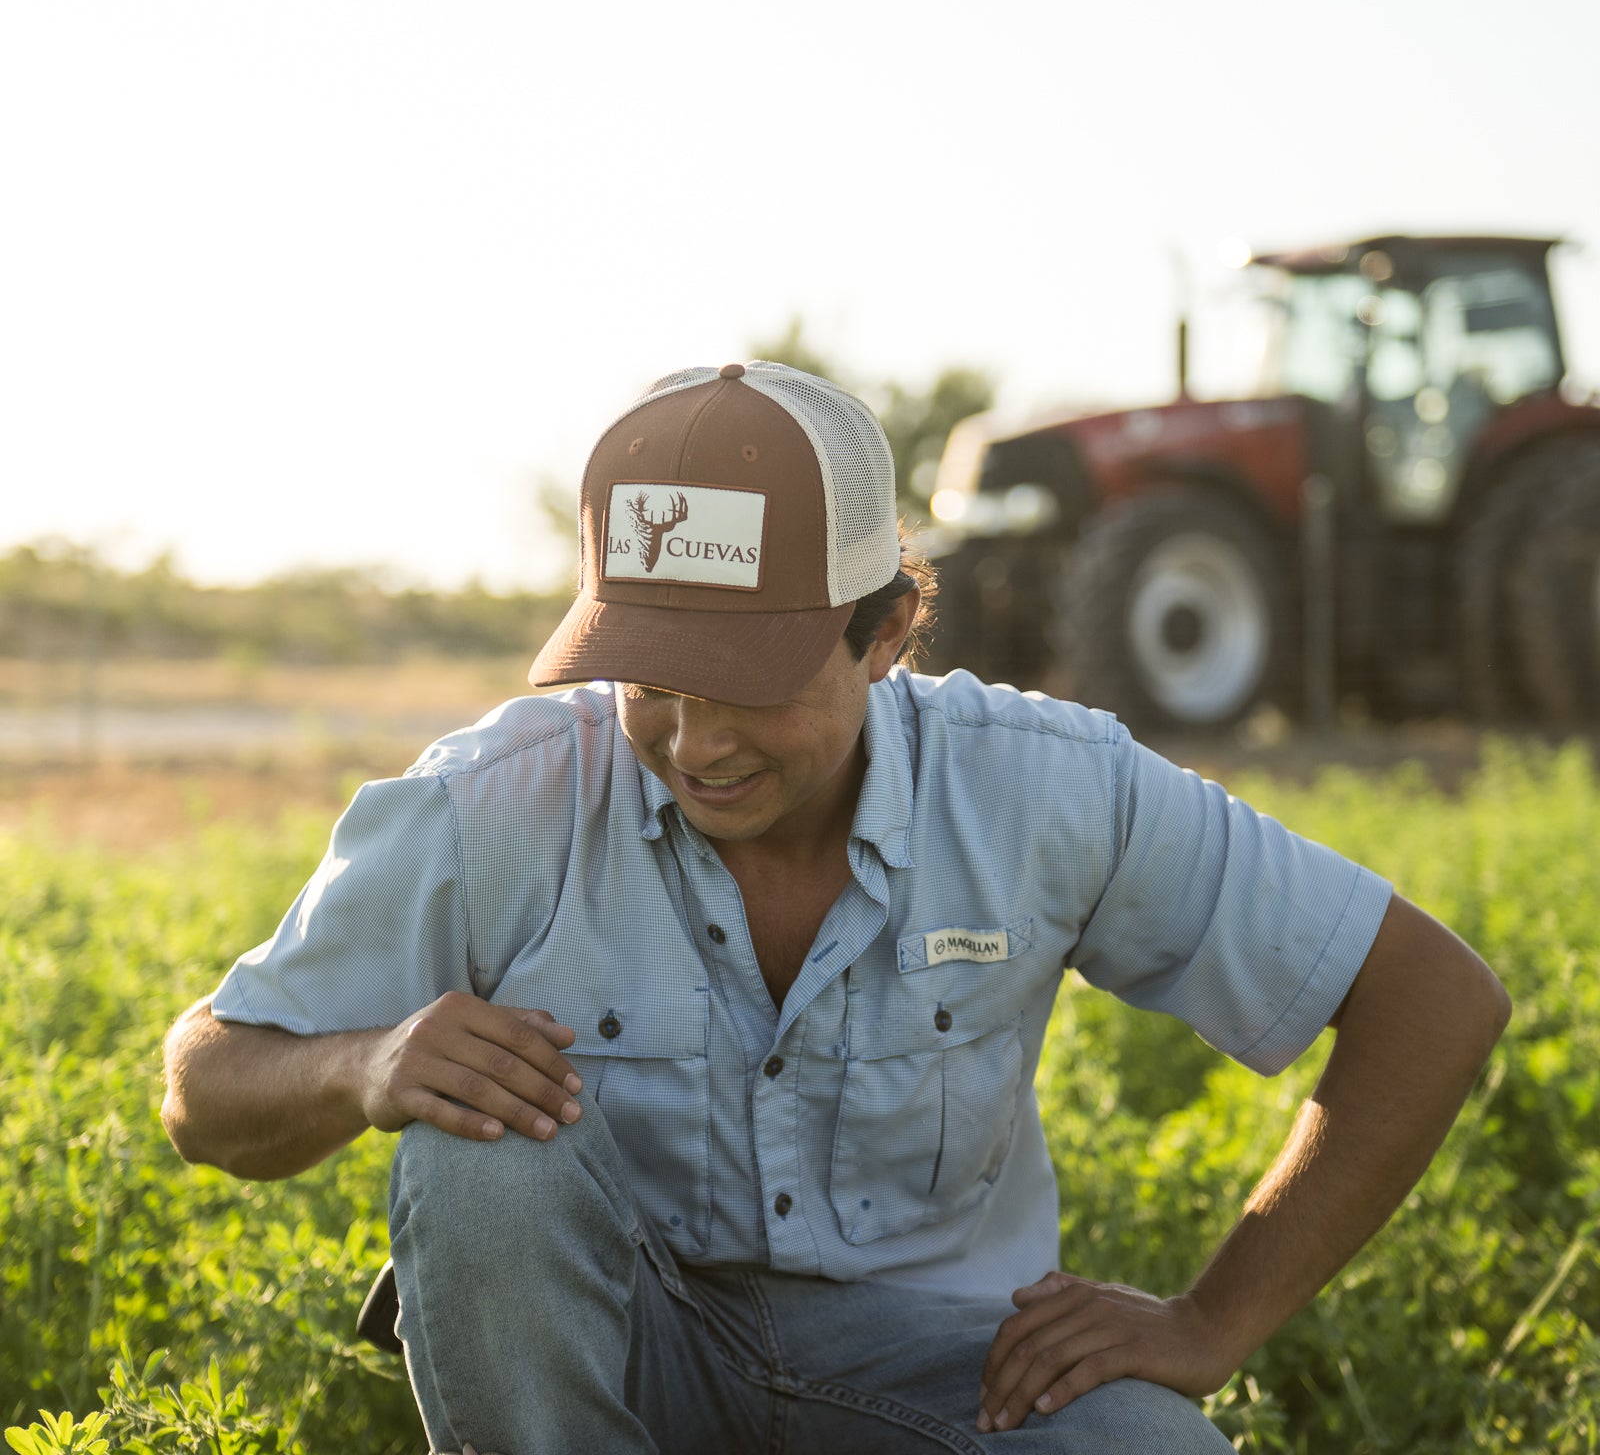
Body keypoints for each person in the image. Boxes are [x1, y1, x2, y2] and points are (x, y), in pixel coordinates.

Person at [161, 360, 1511, 1455]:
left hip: (939, 1370)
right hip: (626, 1360)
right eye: (648, 678)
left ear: (887, 627)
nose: (695, 743)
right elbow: (204, 1085)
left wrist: (1218, 1320)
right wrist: (367, 1063)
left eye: (743, 680)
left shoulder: (1043, 787)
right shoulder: (496, 799)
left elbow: (1433, 1001)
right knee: (475, 1156)